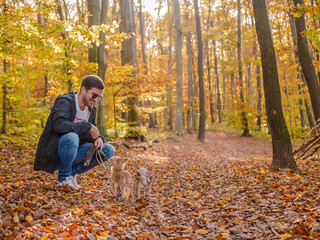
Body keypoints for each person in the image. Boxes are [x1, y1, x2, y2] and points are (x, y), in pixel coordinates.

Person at [34, 75, 115, 189]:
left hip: (75, 153)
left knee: (108, 149)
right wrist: (86, 125)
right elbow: (59, 125)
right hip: (55, 152)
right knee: (72, 137)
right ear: (83, 90)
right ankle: (64, 179)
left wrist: (99, 138)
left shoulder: (91, 110)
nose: (96, 99)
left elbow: (90, 133)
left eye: (99, 97)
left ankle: (72, 174)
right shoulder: (65, 101)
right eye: (94, 95)